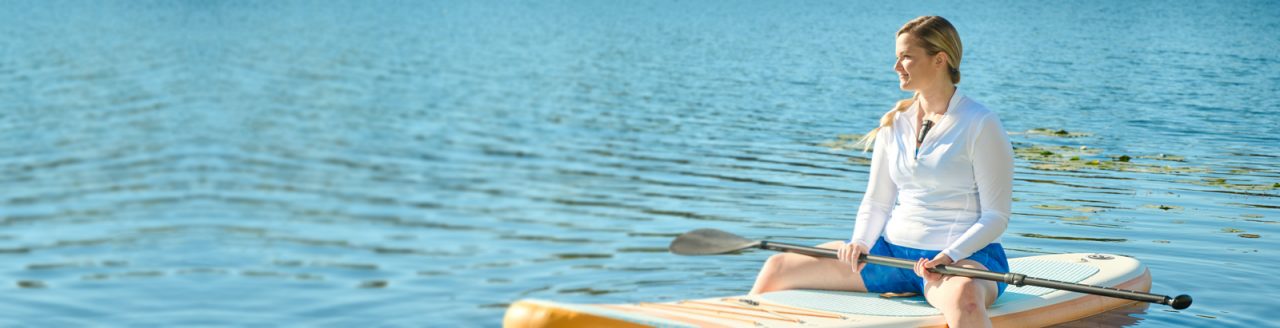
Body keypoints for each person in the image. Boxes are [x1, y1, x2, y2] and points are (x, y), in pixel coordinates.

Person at [748, 16, 1014, 327]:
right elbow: (877, 201)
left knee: (965, 300)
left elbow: (996, 217)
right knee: (778, 267)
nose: (897, 66)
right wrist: (860, 242)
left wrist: (949, 256)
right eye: (897, 56)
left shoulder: (980, 123)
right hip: (888, 256)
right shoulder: (895, 122)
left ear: (939, 59)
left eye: (906, 57)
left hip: (958, 262)